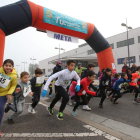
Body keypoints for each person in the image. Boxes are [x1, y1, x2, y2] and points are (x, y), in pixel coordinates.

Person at [0, 59, 17, 136]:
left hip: (3, 94)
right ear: (3, 65)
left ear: (12, 67)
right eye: (6, 65)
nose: (8, 67)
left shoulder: (14, 75)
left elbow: (13, 85)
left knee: (0, 108)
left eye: (10, 66)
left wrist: (10, 93)